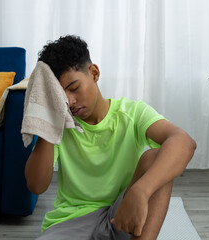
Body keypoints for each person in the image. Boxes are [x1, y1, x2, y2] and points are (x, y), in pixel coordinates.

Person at [24, 35, 196, 240]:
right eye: (61, 96)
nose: (70, 101)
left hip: (122, 216)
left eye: (74, 88)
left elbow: (184, 142)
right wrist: (48, 121)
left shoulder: (131, 113)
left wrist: (140, 191)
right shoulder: (60, 123)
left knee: (156, 158)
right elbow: (36, 186)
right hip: (70, 223)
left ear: (94, 73)